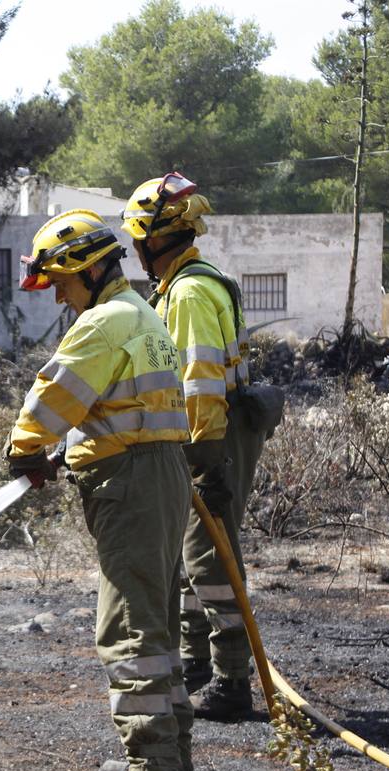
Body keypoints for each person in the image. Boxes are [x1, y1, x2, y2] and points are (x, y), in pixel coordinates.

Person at [5, 209, 194, 771]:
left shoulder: (102, 323)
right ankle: (170, 756)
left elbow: (51, 398)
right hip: (161, 473)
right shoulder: (142, 314)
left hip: (131, 485)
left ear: (85, 269)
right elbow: (126, 405)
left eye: (60, 282)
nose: (58, 295)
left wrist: (25, 451)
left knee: (128, 630)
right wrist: (78, 445)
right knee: (158, 621)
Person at [119, 172, 266, 721]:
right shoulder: (184, 286)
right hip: (207, 438)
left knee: (209, 560)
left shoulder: (189, 292)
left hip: (212, 440)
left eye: (138, 237)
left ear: (156, 238)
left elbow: (200, 383)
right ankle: (196, 663)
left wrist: (202, 461)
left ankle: (231, 682)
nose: (134, 249)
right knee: (187, 555)